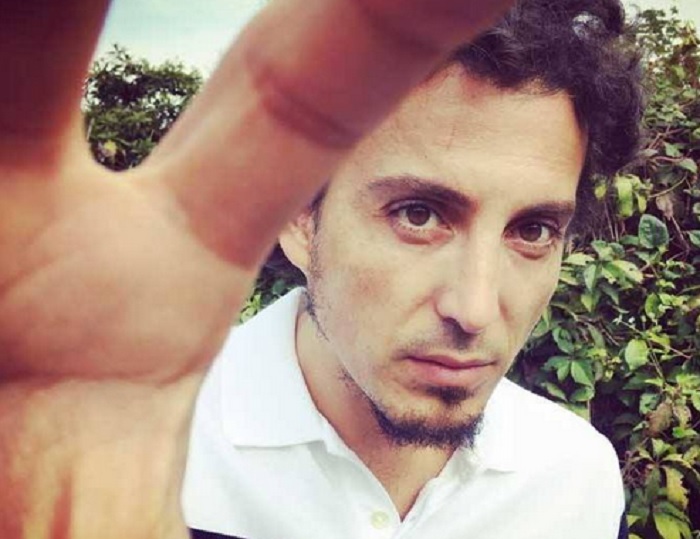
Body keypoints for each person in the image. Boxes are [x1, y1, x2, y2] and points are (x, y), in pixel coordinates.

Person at [182, 1, 644, 539]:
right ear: (298, 215)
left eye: (533, 230)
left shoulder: (576, 482)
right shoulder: (147, 449)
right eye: (418, 215)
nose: (474, 311)